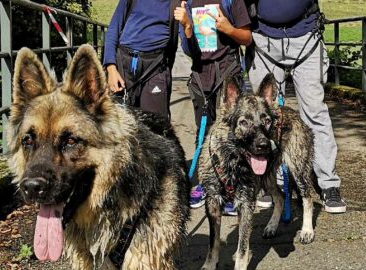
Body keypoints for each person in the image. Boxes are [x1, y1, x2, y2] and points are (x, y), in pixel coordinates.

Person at [247, 0, 346, 213]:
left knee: (315, 112)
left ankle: (328, 184)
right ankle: (270, 183)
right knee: (265, 117)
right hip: (263, 38)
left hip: (307, 35)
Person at [175, 0, 252, 213]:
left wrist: (229, 29)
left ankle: (232, 187)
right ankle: (206, 184)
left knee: (232, 133)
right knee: (204, 131)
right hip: (201, 75)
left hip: (228, 71)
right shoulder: (187, 3)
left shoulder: (231, 1)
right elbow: (188, 50)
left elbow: (246, 37)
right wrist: (187, 27)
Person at [103, 0, 179, 119]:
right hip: (124, 67)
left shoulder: (177, 3)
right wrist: (111, 69)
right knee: (120, 126)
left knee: (155, 128)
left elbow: (185, 44)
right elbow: (113, 30)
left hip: (156, 68)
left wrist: (188, 25)